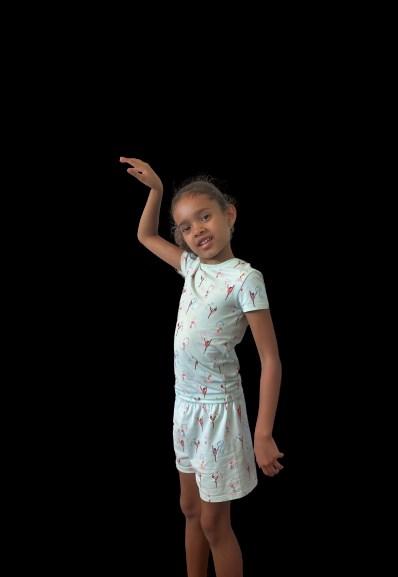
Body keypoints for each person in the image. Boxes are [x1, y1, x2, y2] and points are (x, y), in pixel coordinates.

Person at [120, 157, 284, 577]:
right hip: (185, 408)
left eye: (205, 217)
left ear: (229, 214)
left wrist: (262, 433)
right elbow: (145, 235)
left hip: (219, 415)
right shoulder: (190, 267)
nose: (197, 231)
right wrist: (156, 190)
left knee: (214, 524)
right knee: (190, 508)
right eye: (186, 227)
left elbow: (270, 359)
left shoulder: (245, 279)